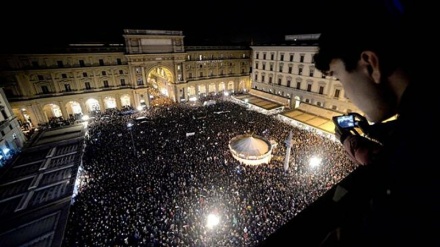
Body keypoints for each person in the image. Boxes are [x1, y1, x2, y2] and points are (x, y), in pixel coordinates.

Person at [313, 0, 439, 246]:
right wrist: (371, 132)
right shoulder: (423, 120)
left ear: (371, 64)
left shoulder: (418, 153)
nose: (347, 94)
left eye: (339, 78)